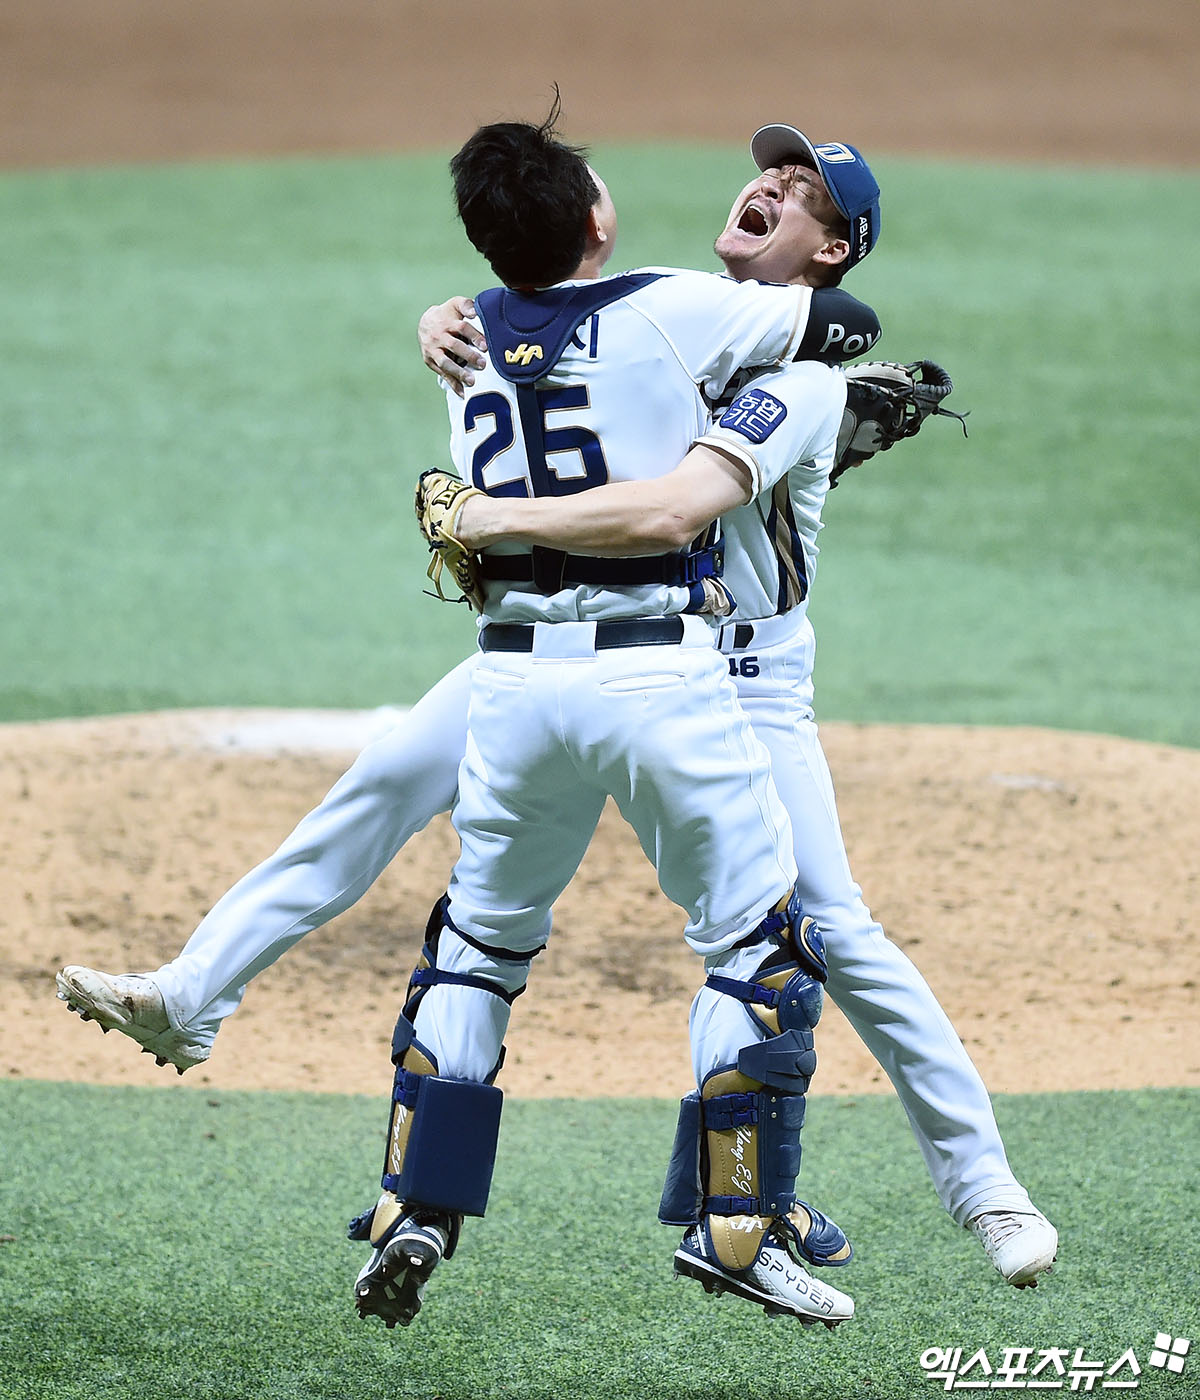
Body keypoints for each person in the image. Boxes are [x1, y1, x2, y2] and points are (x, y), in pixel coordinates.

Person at [55, 119, 1054, 1311]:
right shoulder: (661, 311)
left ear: (832, 247)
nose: (767, 187)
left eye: (798, 194)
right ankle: (191, 993)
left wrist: (477, 506)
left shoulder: (782, 366)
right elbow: (547, 318)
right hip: (593, 652)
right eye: (766, 173)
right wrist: (446, 316)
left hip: (740, 675)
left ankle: (984, 1187)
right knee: (380, 785)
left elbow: (693, 475)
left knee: (833, 930)